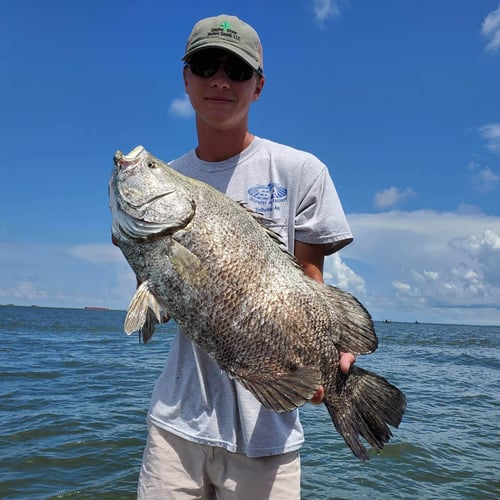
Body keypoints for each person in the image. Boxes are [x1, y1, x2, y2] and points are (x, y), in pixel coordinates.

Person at [137, 14, 356, 499]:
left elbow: (309, 278)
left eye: (236, 70)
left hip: (268, 432)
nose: (219, 80)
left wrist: (319, 358)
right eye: (205, 65)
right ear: (185, 78)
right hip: (176, 424)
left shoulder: (301, 170)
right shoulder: (164, 181)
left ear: (257, 86)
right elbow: (165, 297)